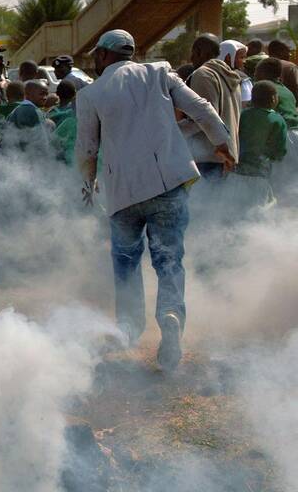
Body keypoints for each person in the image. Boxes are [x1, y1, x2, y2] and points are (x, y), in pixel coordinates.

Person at [75, 30, 234, 372]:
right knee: (168, 260)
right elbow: (202, 109)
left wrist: (87, 185)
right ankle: (171, 316)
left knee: (126, 261)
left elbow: (87, 149)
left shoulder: (91, 94)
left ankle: (129, 328)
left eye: (96, 56)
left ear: (104, 56)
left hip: (123, 194)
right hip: (167, 185)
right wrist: (222, 143)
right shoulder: (160, 72)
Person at [180, 34, 241, 180]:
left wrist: (172, 132)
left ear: (199, 52)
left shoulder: (203, 74)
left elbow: (203, 118)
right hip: (226, 155)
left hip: (208, 157)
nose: (191, 59)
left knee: (198, 202)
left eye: (193, 53)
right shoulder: (229, 74)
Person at [235, 81, 288, 193]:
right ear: (274, 99)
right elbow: (279, 150)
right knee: (260, 208)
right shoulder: (277, 120)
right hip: (260, 173)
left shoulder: (242, 115)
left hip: (237, 172)